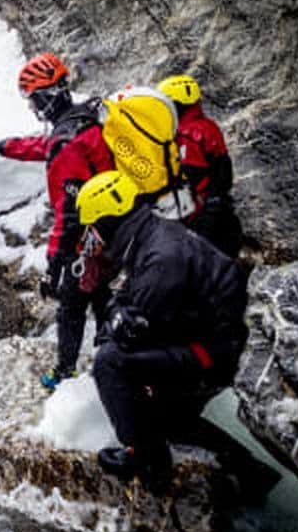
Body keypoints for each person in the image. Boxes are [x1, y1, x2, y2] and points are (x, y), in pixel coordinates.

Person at [75, 171, 278, 494]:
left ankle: (147, 459)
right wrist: (118, 315)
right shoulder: (153, 235)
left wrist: (116, 319)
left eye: (93, 227)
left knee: (110, 363)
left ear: (108, 221)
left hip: (214, 351)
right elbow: (126, 301)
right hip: (217, 338)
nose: (91, 235)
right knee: (170, 419)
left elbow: (133, 331)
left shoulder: (160, 258)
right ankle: (251, 472)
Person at [0, 52, 114, 389]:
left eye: (33, 100)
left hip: (93, 233)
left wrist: (53, 264)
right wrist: (0, 147)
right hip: (115, 223)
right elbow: (44, 146)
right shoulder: (84, 119)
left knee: (71, 305)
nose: (32, 108)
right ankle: (110, 349)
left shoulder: (67, 144)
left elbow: (69, 211)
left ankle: (67, 373)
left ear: (46, 98)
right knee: (101, 292)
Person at [157, 75, 242, 257]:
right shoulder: (208, 126)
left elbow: (189, 177)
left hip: (202, 217)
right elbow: (223, 170)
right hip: (219, 210)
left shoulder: (187, 136)